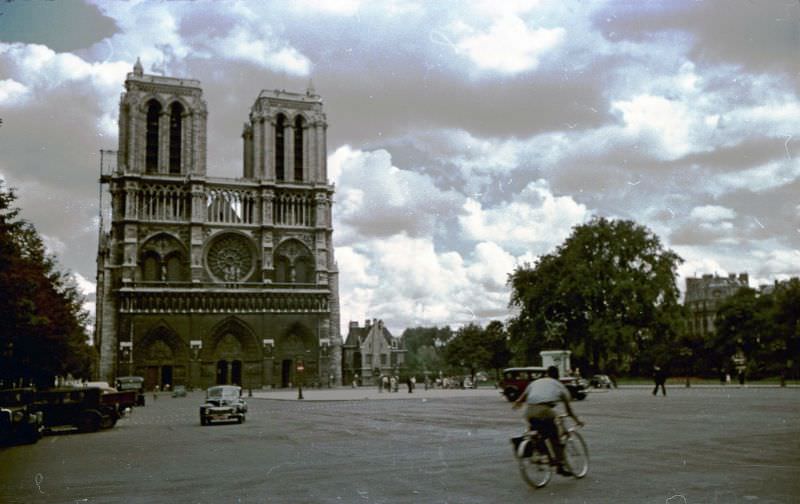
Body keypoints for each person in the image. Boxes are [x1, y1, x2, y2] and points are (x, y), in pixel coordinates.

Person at [512, 365, 583, 476]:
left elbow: (520, 400)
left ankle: (542, 453)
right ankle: (560, 465)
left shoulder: (536, 382)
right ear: (558, 376)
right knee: (554, 437)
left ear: (546, 374)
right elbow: (568, 410)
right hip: (545, 411)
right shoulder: (559, 385)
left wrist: (517, 404)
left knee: (539, 433)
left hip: (529, 412)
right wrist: (577, 421)